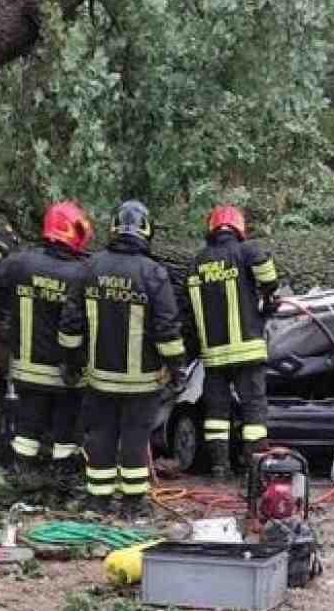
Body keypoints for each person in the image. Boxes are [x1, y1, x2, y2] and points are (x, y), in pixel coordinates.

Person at [58, 201, 187, 511]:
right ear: (146, 231)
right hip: (142, 381)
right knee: (134, 436)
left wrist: (72, 362)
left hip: (99, 377)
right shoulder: (154, 272)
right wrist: (177, 368)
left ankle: (98, 500)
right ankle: (133, 504)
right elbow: (167, 329)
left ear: (113, 228)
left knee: (99, 433)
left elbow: (71, 323)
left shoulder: (90, 267)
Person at [0, 202, 94, 485]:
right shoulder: (83, 274)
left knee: (26, 433)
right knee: (66, 437)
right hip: (69, 374)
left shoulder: (22, 263)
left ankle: (20, 482)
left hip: (28, 372)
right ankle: (62, 486)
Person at [185, 204, 281, 480]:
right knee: (254, 410)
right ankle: (255, 469)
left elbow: (189, 311)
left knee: (216, 413)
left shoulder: (196, 262)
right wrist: (267, 296)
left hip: (214, 355)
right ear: (239, 227)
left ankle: (219, 468)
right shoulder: (247, 250)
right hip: (248, 351)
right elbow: (268, 276)